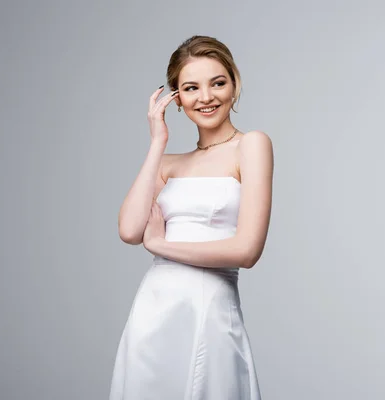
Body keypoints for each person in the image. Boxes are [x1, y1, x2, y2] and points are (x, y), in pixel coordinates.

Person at [110, 35, 273, 400]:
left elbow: (246, 251)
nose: (206, 97)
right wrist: (157, 142)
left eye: (218, 82)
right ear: (176, 99)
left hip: (210, 307)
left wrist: (161, 244)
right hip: (154, 310)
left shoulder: (251, 146)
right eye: (190, 88)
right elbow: (129, 229)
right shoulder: (168, 163)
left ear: (234, 84)